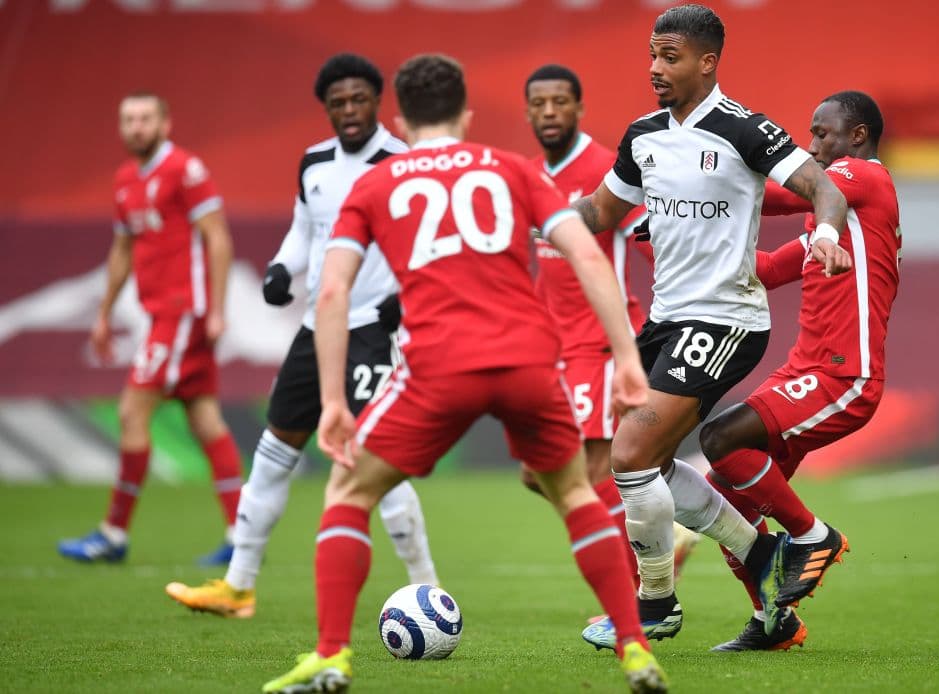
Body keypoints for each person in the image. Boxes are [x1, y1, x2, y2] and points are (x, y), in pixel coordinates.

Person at [262, 53, 668, 694]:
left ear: (399, 117)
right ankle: (635, 648)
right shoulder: (512, 169)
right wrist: (625, 358)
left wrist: (335, 398)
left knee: (348, 492)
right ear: (466, 114)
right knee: (576, 495)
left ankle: (333, 656)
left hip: (437, 367)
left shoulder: (375, 183)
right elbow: (587, 254)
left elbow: (332, 292)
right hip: (529, 361)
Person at [575, 3, 852, 650]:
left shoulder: (743, 129)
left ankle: (656, 603)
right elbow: (600, 210)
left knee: (631, 455)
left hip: (726, 317)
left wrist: (827, 237)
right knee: (641, 464)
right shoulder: (643, 135)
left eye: (669, 57)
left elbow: (826, 190)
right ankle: (761, 556)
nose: (655, 69)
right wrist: (532, 220)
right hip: (669, 321)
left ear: (707, 62)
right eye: (651, 56)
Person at [164, 54, 440, 618]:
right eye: (337, 103)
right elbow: (303, 231)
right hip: (317, 330)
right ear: (327, 108)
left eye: (358, 99)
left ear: (376, 100)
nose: (348, 111)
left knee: (379, 465)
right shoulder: (314, 163)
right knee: (271, 455)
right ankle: (238, 587)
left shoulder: (404, 162)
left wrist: (401, 299)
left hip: (372, 331)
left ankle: (429, 588)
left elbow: (426, 244)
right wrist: (280, 270)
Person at [700, 91, 900, 650]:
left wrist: (697, 191)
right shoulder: (831, 223)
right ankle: (775, 623)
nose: (811, 147)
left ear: (857, 135)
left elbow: (783, 191)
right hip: (804, 373)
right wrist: (666, 234)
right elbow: (760, 268)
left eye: (821, 134)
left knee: (719, 436)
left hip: (844, 376)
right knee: (727, 501)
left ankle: (814, 536)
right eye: (809, 136)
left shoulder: (864, 176)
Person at [523, 64, 700, 594]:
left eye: (560, 101)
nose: (550, 111)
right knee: (537, 474)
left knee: (600, 473)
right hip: (554, 349)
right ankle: (664, 535)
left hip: (600, 345)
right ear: (528, 110)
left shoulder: (605, 170)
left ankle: (630, 601)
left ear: (579, 108)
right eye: (539, 103)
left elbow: (649, 238)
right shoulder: (528, 175)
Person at [58, 93, 243, 565]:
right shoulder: (125, 180)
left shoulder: (185, 169)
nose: (136, 127)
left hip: (185, 310)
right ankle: (243, 533)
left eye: (145, 118)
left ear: (165, 123)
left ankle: (113, 533)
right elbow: (122, 251)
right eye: (128, 119)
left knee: (130, 410)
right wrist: (103, 313)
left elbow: (217, 236)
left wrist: (218, 309)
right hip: (163, 312)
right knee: (204, 418)